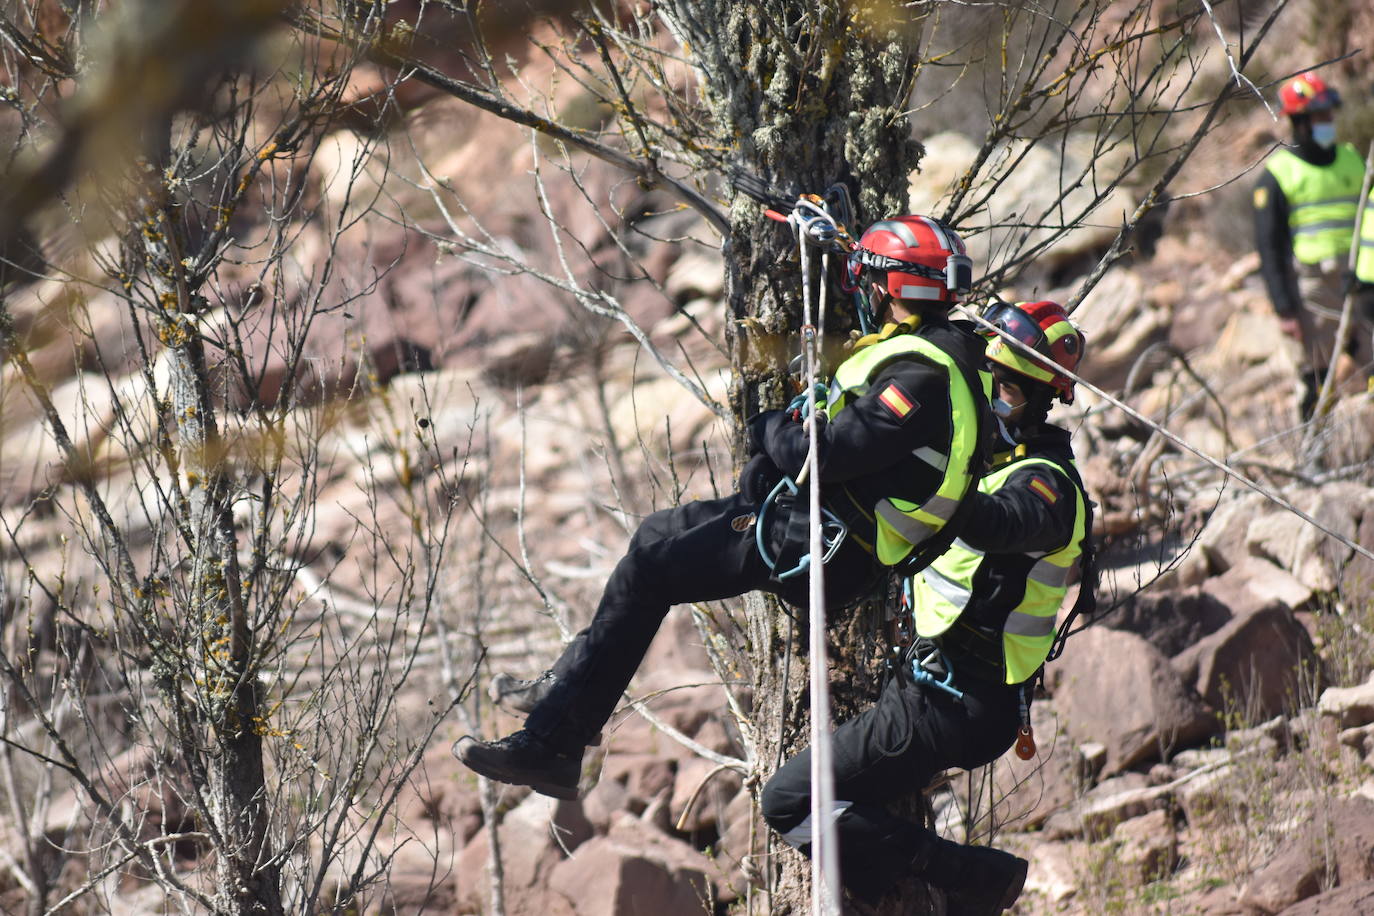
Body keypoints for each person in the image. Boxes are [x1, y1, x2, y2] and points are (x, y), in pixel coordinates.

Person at [453, 214, 997, 802]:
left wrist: (770, 426)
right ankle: (564, 686)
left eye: (869, 279)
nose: (861, 289)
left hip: (828, 545)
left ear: (895, 286)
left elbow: (828, 453)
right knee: (659, 533)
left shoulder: (919, 372)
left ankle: (551, 746)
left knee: (650, 570)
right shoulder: (943, 358)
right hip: (826, 529)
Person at [759, 300, 1094, 915]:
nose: (988, 392)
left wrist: (929, 481)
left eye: (1003, 386)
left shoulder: (1049, 484)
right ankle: (894, 887)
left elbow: (999, 523)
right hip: (929, 685)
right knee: (832, 807)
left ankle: (976, 876)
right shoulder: (989, 463)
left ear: (1035, 399)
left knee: (786, 801)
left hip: (960, 704)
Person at [1253, 70, 1374, 420]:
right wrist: (1283, 307)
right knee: (1318, 378)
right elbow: (1269, 246)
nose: (1328, 122)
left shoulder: (1353, 159)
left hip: (1361, 285)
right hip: (1313, 293)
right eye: (1320, 116)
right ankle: (1313, 455)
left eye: (1329, 114)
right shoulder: (1279, 173)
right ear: (1300, 121)